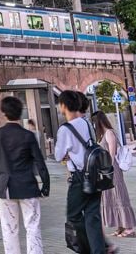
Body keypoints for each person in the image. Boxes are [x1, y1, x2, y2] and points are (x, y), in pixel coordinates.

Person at [0, 96, 49, 254]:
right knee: (33, 227)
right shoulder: (28, 136)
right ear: (20, 113)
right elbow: (40, 163)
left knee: (9, 230)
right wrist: (45, 186)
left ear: (4, 113)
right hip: (28, 187)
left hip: (6, 188)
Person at [54, 90, 106, 254]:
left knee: (74, 216)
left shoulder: (65, 129)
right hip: (95, 174)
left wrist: (68, 155)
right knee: (93, 216)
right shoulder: (86, 123)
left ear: (63, 105)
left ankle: (86, 249)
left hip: (79, 178)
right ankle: (99, 250)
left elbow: (58, 155)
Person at [91, 111, 136, 238]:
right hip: (106, 169)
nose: (93, 125)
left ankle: (129, 228)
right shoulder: (102, 135)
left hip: (112, 169)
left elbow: (111, 153)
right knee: (111, 196)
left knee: (119, 195)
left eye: (94, 122)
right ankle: (120, 226)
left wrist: (107, 169)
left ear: (99, 122)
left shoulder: (109, 133)